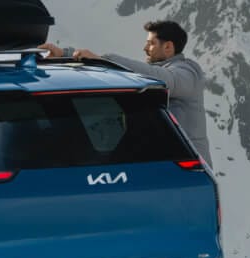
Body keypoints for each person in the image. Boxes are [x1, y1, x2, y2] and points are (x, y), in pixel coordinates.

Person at [39, 20, 213, 167]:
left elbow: (167, 81)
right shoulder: (155, 71)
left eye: (151, 43)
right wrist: (64, 54)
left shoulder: (188, 72)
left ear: (168, 47)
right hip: (167, 162)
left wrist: (105, 60)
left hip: (189, 166)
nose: (145, 48)